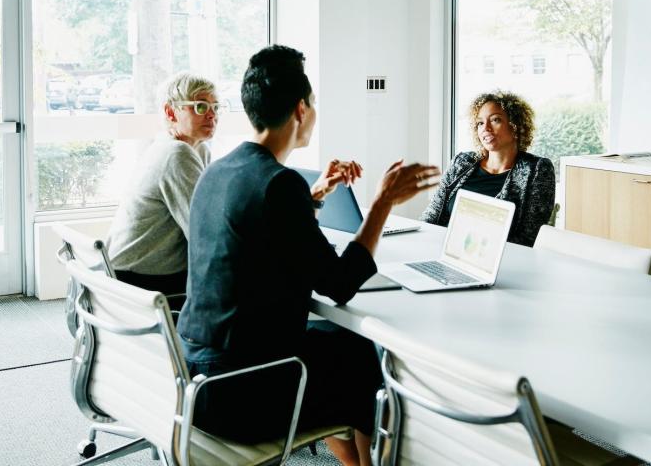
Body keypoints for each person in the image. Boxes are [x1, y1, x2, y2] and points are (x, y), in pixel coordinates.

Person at [177, 45, 438, 466]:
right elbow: (339, 283)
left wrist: (314, 197)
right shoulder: (278, 183)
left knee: (341, 346)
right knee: (361, 355)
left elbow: (265, 232)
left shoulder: (221, 169)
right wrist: (381, 204)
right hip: (240, 391)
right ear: (301, 110)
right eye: (313, 104)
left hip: (196, 377)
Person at [106, 72, 221, 295]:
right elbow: (204, 231)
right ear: (171, 112)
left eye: (216, 107)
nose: (212, 115)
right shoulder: (176, 153)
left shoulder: (194, 149)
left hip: (129, 272)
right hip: (139, 282)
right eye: (200, 107)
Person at [422, 90, 555, 247]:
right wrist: (422, 243)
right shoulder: (462, 162)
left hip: (500, 263)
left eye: (495, 120)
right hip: (444, 250)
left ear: (516, 127)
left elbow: (530, 237)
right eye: (480, 123)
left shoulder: (537, 169)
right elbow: (431, 216)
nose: (486, 128)